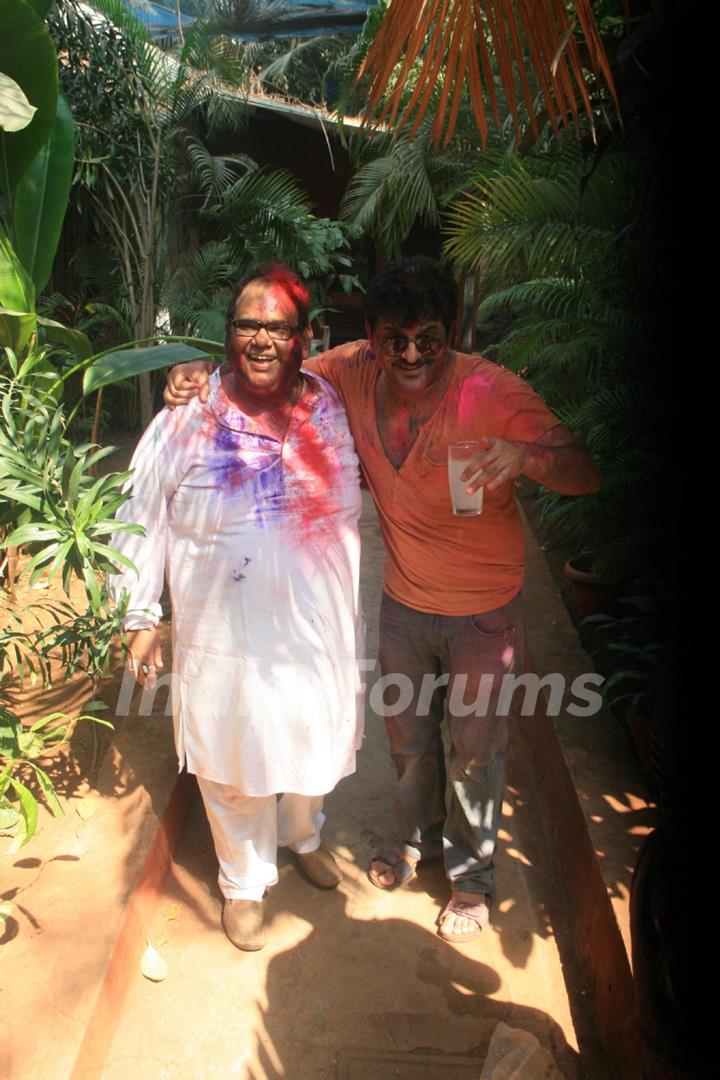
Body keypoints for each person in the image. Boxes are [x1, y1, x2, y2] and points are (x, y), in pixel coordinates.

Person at [164, 256, 602, 945]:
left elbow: (584, 470)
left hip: (484, 613)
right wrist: (197, 374)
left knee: (476, 751)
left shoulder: (492, 391)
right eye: (393, 339)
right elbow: (264, 353)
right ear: (368, 336)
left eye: (428, 338)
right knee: (409, 744)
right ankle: (414, 844)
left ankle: (472, 879)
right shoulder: (348, 372)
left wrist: (525, 459)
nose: (410, 355)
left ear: (450, 333)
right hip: (404, 604)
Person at [110, 263, 364, 952]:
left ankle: (302, 834)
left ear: (303, 337)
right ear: (226, 335)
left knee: (314, 740)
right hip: (222, 635)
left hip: (315, 633)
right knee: (231, 757)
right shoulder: (185, 417)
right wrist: (139, 615)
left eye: (276, 327)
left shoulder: (332, 405)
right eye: (246, 325)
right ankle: (244, 882)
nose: (259, 340)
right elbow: (140, 515)